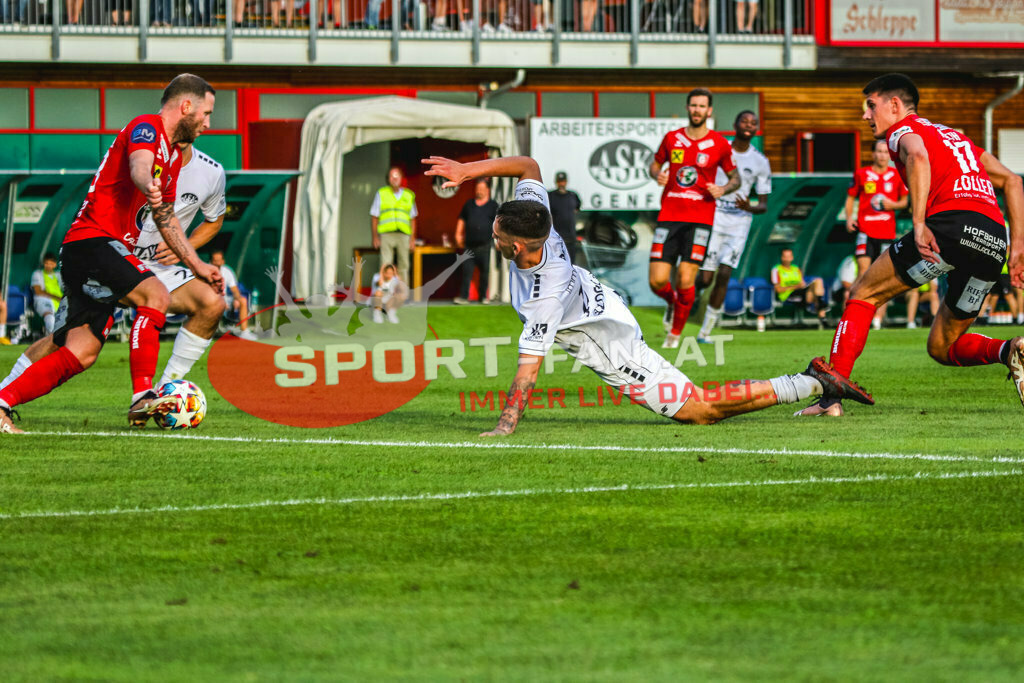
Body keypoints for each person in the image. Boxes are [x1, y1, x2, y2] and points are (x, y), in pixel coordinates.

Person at [423, 154, 872, 436]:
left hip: (615, 345)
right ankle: (812, 381)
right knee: (701, 406)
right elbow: (527, 167)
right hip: (606, 306)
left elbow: (528, 372)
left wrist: (504, 427)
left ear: (516, 246)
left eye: (495, 233)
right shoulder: (536, 219)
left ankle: (813, 382)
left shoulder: (545, 294)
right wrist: (467, 171)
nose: (492, 235)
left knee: (700, 410)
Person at [0, 74, 223, 434]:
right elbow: (138, 164)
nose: (208, 123)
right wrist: (144, 182)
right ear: (186, 107)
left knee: (81, 350)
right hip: (92, 242)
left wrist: (197, 265)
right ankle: (142, 396)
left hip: (96, 252)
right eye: (206, 113)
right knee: (156, 295)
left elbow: (166, 220)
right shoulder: (146, 127)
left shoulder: (169, 165)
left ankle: (2, 402)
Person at [796, 73, 1024, 419]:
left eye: (870, 106)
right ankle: (1011, 349)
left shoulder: (902, 131)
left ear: (894, 105)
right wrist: (1017, 246)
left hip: (949, 226)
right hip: (993, 239)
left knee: (862, 293)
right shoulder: (955, 138)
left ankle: (830, 400)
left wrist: (919, 224)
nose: (866, 115)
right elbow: (1011, 180)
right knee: (941, 346)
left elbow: (917, 157)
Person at [2, 142, 230, 393]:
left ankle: (164, 391)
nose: (204, 122)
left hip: (158, 268)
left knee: (212, 302)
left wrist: (184, 246)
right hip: (111, 260)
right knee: (66, 342)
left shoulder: (211, 172)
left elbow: (214, 221)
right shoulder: (138, 154)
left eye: (207, 115)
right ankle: (4, 392)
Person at [648, 87, 739, 349]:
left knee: (686, 280)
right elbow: (655, 164)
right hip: (669, 215)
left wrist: (723, 188)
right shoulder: (672, 138)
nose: (697, 110)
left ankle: (674, 335)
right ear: (688, 108)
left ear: (709, 111)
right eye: (693, 105)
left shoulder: (719, 144)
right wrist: (658, 174)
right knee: (657, 281)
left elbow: (736, 178)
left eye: (702, 106)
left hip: (701, 219)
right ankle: (673, 302)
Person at [695, 110, 771, 343]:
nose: (748, 125)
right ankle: (690, 295)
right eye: (744, 121)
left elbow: (763, 205)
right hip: (715, 216)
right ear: (735, 124)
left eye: (753, 122)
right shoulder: (721, 150)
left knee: (725, 274)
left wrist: (750, 207)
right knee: (706, 278)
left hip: (739, 223)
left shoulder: (760, 161)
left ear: (756, 128)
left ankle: (705, 332)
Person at [845, 138, 909, 330]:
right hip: (865, 230)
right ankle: (849, 315)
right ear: (872, 154)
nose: (882, 155)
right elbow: (850, 198)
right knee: (864, 273)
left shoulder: (896, 174)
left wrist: (894, 205)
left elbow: (905, 201)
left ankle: (877, 320)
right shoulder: (862, 174)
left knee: (882, 277)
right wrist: (850, 218)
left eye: (885, 152)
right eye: (879, 152)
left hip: (886, 233)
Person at [454, 178, 499, 304]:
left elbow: (498, 224)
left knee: (485, 273)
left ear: (488, 190)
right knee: (466, 272)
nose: (479, 191)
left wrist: (499, 239)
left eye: (482, 189)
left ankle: (483, 296)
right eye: (478, 189)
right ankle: (463, 297)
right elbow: (462, 219)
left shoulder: (493, 205)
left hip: (485, 245)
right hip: (469, 245)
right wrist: (458, 234)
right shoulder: (469, 204)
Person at [370, 166, 418, 285]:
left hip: (403, 234)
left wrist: (412, 239)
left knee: (404, 265)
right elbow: (374, 216)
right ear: (388, 179)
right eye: (392, 176)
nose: (394, 178)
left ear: (401, 178)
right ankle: (385, 293)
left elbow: (413, 218)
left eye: (397, 175)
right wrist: (375, 237)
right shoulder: (381, 193)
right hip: (386, 234)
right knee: (385, 264)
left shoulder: (409, 195)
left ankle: (402, 294)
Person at [770, 248, 829, 326]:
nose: (787, 259)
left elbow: (802, 283)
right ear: (782, 257)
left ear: (792, 257)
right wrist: (795, 286)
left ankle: (820, 304)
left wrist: (802, 286)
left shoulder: (796, 269)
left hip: (801, 292)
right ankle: (823, 317)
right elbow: (778, 289)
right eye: (785, 256)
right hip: (788, 295)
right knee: (817, 298)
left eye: (789, 256)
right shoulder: (776, 270)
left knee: (818, 280)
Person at [211, 250, 257, 340]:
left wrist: (237, 299)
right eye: (215, 260)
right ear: (211, 261)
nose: (217, 263)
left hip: (226, 299)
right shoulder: (205, 272)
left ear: (223, 261)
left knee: (243, 300)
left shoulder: (227, 271)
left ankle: (244, 332)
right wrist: (221, 301)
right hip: (212, 300)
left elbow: (235, 289)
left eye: (219, 260)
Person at [547, 170, 582, 264]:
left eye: (563, 181)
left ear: (566, 182)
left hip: (570, 237)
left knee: (571, 263)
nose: (561, 184)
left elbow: (577, 208)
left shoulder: (573, 195)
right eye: (559, 181)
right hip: (556, 238)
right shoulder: (550, 196)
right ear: (556, 182)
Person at [30, 253, 62, 335]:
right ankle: (52, 339)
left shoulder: (59, 275)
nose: (48, 265)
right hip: (43, 300)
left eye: (51, 264)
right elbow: (38, 291)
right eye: (46, 263)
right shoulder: (37, 274)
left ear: (55, 265)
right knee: (50, 318)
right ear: (43, 263)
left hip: (59, 302)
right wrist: (57, 297)